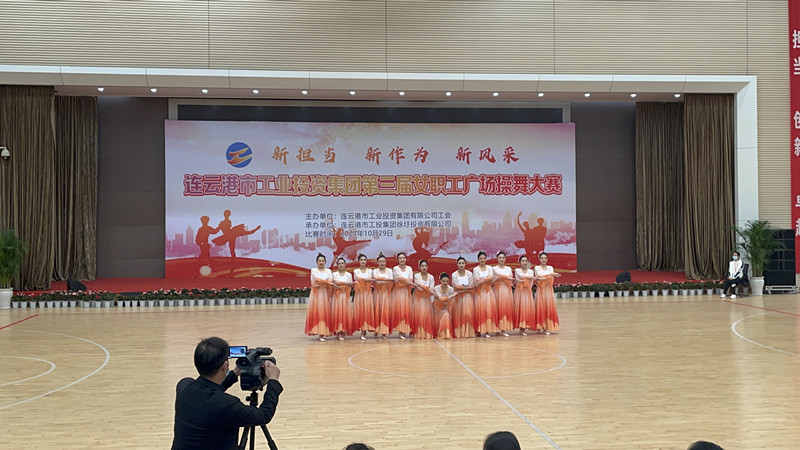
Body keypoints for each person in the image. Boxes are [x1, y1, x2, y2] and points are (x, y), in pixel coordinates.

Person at [172, 337, 282, 450]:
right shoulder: (227, 405)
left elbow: (209, 390)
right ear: (225, 366)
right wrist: (273, 381)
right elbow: (263, 415)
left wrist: (235, 373)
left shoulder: (184, 386)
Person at [305, 253, 333, 341]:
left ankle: (322, 333)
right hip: (316, 294)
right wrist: (327, 283)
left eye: (323, 261)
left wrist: (325, 283)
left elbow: (330, 280)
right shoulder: (313, 270)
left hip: (325, 294)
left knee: (324, 312)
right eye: (319, 261)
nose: (321, 262)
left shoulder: (328, 271)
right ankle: (316, 330)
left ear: (325, 262)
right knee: (317, 312)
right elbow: (315, 281)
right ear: (317, 262)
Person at [534, 251, 561, 334]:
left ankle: (546, 327)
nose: (544, 260)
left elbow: (550, 278)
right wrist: (552, 274)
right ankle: (539, 326)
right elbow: (539, 276)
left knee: (548, 307)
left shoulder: (550, 268)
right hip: (541, 290)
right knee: (540, 307)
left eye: (545, 258)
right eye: (542, 258)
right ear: (539, 259)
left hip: (548, 290)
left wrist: (550, 275)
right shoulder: (537, 268)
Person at [473, 251, 499, 338]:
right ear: (478, 259)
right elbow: (476, 280)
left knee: (488, 310)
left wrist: (482, 281)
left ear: (486, 259)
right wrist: (486, 280)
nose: (482, 260)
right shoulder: (475, 269)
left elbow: (491, 277)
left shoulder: (489, 268)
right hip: (480, 292)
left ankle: (487, 331)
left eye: (484, 258)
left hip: (488, 292)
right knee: (480, 310)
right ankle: (479, 330)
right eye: (481, 258)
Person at [352, 253, 376, 340]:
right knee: (360, 311)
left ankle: (364, 329)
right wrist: (368, 280)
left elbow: (370, 279)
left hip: (367, 293)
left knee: (367, 311)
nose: (363, 261)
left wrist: (368, 281)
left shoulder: (370, 271)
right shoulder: (356, 271)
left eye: (364, 260)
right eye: (361, 260)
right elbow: (358, 278)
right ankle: (362, 329)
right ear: (358, 261)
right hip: (359, 293)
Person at [452, 256, 476, 338]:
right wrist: (466, 288)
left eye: (463, 263)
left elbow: (471, 285)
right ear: (457, 264)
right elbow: (456, 286)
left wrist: (463, 289)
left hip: (468, 297)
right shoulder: (454, 274)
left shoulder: (469, 274)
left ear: (465, 264)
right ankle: (460, 332)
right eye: (459, 263)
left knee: (468, 314)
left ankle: (469, 332)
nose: (461, 265)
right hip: (458, 297)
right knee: (459, 314)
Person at [392, 252, 414, 339]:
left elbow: (410, 280)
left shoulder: (409, 268)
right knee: (400, 311)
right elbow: (397, 280)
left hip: (407, 292)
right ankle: (401, 331)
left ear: (406, 259)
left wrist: (404, 282)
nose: (402, 260)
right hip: (398, 292)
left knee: (406, 311)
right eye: (400, 258)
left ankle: (406, 330)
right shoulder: (395, 268)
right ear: (397, 259)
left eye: (403, 258)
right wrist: (405, 282)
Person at [412, 259, 436, 339]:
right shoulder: (417, 276)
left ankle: (427, 333)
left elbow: (432, 288)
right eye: (422, 266)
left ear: (428, 267)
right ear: (419, 267)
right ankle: (419, 333)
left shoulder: (431, 277)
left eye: (425, 266)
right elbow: (418, 288)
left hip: (427, 299)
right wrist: (427, 289)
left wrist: (425, 289)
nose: (424, 267)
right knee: (420, 315)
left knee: (427, 316)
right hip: (419, 299)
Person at [331, 257, 353, 341]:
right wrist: (339, 286)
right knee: (336, 313)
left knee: (344, 314)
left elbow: (351, 284)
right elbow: (332, 285)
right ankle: (337, 331)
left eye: (342, 263)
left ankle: (343, 331)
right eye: (339, 263)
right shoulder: (334, 274)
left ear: (345, 265)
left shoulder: (348, 275)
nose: (341, 265)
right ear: (337, 265)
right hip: (336, 297)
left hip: (345, 296)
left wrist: (342, 285)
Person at [493, 251, 514, 337]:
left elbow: (511, 279)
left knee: (505, 309)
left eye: (503, 258)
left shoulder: (508, 269)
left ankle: (503, 329)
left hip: (506, 290)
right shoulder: (494, 269)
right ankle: (497, 328)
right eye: (500, 258)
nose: (501, 259)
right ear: (497, 259)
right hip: (498, 290)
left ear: (505, 259)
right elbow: (493, 279)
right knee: (497, 309)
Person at [513, 255, 536, 335]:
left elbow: (531, 281)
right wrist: (530, 278)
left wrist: (529, 279)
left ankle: (525, 326)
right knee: (521, 308)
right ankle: (521, 328)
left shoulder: (531, 271)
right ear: (520, 262)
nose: (524, 262)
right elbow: (520, 278)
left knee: (527, 309)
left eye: (526, 261)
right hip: (520, 292)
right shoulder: (517, 270)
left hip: (527, 291)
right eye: (523, 261)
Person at [372, 254, 394, 339]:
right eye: (380, 261)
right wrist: (385, 280)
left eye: (383, 261)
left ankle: (384, 332)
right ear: (377, 262)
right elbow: (376, 281)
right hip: (377, 293)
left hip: (386, 293)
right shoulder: (375, 271)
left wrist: (381, 280)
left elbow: (391, 281)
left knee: (385, 311)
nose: (382, 263)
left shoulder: (389, 271)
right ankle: (377, 329)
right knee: (377, 311)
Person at [433, 272, 456, 339]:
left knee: (446, 315)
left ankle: (446, 334)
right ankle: (440, 333)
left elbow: (451, 301)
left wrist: (449, 298)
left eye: (447, 281)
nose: (445, 283)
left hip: (446, 307)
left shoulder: (450, 289)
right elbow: (440, 298)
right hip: (437, 307)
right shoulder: (436, 288)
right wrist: (451, 296)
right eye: (443, 281)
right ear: (440, 280)